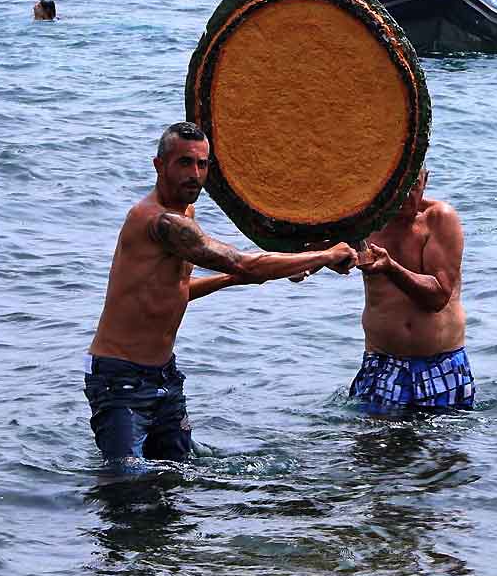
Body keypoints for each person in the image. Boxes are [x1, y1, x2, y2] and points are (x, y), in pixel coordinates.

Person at [86, 122, 359, 462]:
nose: (195, 174)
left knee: (176, 472)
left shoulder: (186, 212)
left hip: (163, 375)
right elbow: (243, 263)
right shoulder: (162, 222)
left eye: (202, 164)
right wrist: (325, 254)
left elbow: (172, 291)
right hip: (121, 379)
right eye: (184, 163)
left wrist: (233, 280)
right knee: (124, 485)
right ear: (159, 165)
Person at [350, 169, 472, 412]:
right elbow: (318, 248)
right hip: (382, 363)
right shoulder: (363, 222)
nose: (405, 194)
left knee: (444, 446)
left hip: (441, 364)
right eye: (398, 185)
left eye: (413, 185)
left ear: (425, 179)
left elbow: (437, 296)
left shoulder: (438, 218)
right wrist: (305, 265)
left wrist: (390, 267)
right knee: (371, 447)